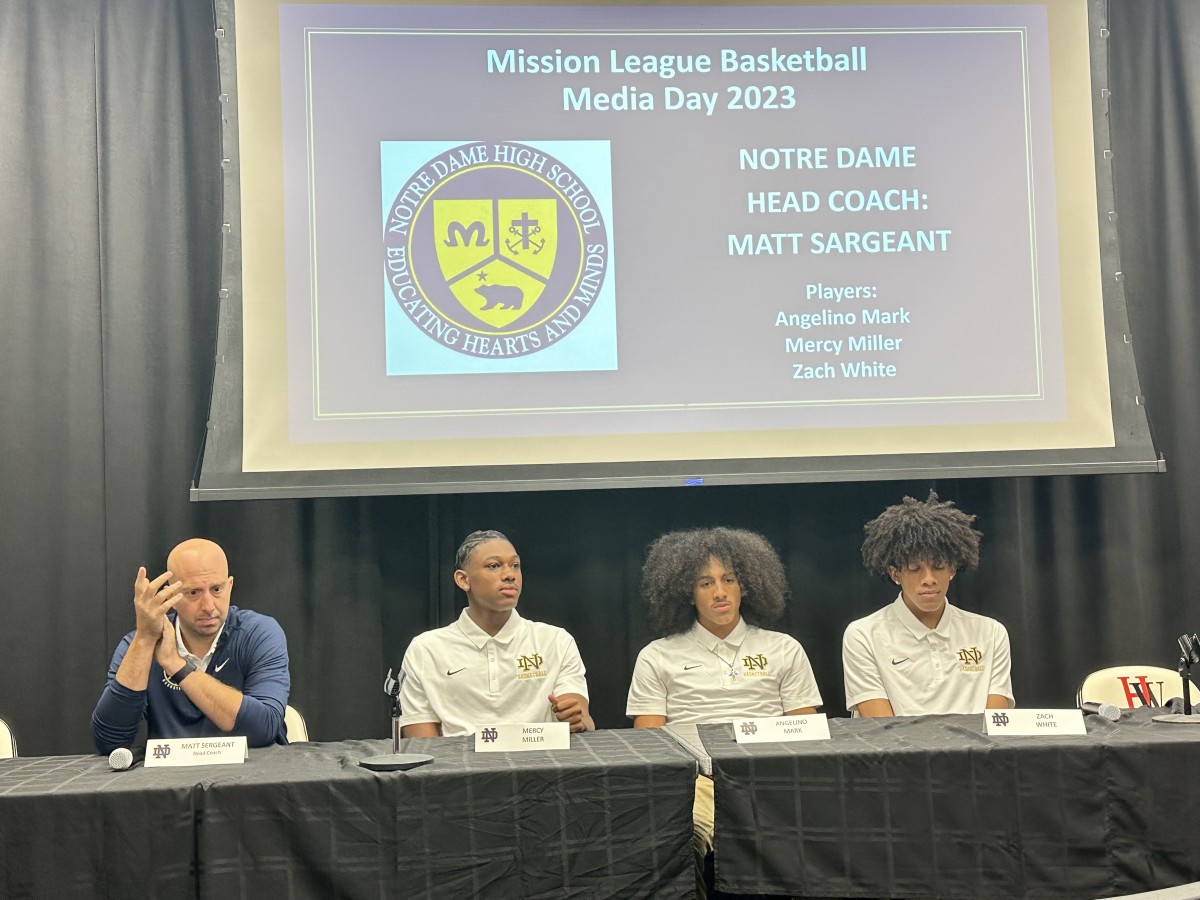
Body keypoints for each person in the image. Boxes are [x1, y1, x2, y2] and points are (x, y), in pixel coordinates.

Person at [625, 527, 822, 894]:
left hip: (771, 776)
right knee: (682, 839)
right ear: (686, 592)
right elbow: (648, 746)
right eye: (705, 583)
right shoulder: (658, 655)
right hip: (696, 782)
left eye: (728, 579)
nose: (719, 592)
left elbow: (805, 732)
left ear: (745, 585)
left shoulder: (784, 648)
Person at [91, 539, 290, 754]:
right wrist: (144, 640)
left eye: (216, 589)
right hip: (171, 783)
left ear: (230, 585)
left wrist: (177, 666)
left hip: (251, 779)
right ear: (170, 595)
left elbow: (263, 729)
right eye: (193, 592)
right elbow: (109, 741)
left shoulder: (259, 633)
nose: (208, 606)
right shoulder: (138, 644)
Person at [398, 530, 594, 737]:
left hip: (541, 763)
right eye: (494, 566)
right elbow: (422, 741)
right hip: (459, 766)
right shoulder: (426, 648)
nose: (510, 575)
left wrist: (577, 719)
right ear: (463, 580)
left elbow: (583, 718)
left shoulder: (555, 641)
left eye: (515, 565)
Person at [843, 492, 1014, 717]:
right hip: (899, 752)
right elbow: (880, 728)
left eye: (939, 566)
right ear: (895, 574)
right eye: (914, 569)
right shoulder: (863, 634)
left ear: (952, 570)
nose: (929, 579)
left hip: (976, 752)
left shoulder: (991, 632)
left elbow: (997, 723)